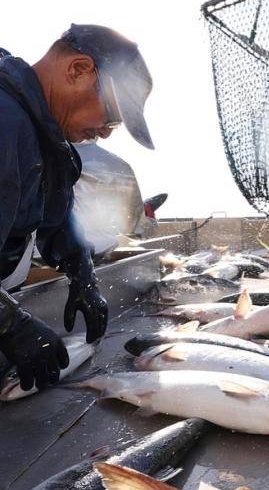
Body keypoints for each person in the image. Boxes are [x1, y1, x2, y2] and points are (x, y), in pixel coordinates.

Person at [0, 24, 154, 391]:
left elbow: (54, 215)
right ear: (78, 70)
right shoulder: (5, 121)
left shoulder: (48, 139)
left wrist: (82, 272)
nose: (106, 132)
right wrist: (9, 323)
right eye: (112, 114)